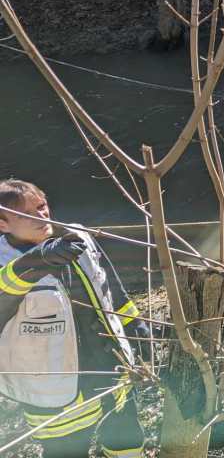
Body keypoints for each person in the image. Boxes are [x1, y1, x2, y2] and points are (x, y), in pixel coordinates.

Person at [0, 179, 147, 458]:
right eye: (25, 214)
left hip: (110, 367)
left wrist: (136, 329)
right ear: (2, 224)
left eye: (41, 207)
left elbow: (111, 289)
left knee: (127, 444)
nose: (40, 216)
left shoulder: (77, 238)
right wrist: (34, 262)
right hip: (51, 388)